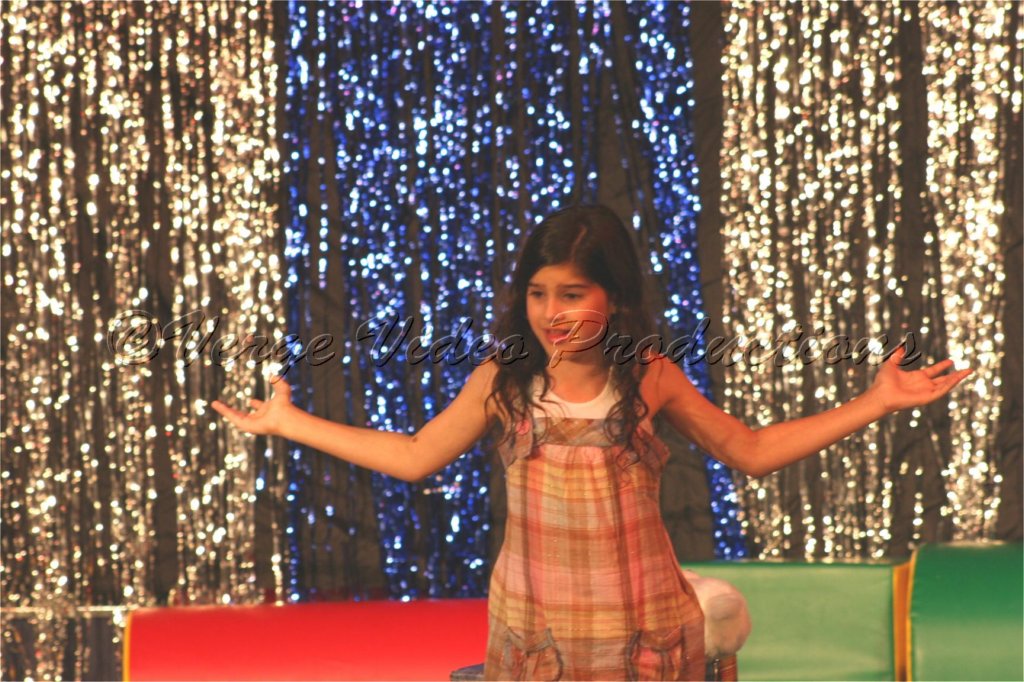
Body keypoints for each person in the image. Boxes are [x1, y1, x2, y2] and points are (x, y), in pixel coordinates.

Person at [211, 204, 972, 680]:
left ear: (615, 297)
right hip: (540, 638)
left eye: (572, 294)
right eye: (538, 293)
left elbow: (750, 451)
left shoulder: (649, 376)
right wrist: (288, 423)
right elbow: (414, 457)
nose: (552, 313)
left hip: (641, 636)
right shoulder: (503, 381)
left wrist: (876, 400)